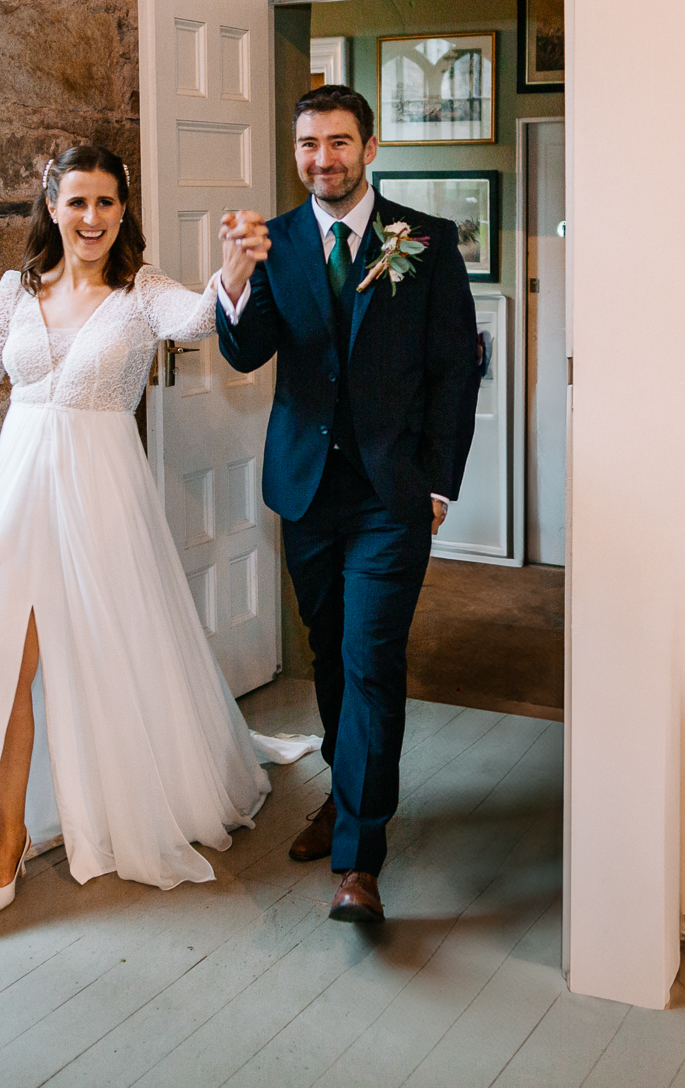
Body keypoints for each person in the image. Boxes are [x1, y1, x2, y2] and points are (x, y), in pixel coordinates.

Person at [0, 142, 285, 922]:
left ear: (123, 210)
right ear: (51, 205)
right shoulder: (16, 292)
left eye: (106, 202)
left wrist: (236, 271)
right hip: (17, 498)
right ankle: (6, 839)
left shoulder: (141, 291)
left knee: (106, 655)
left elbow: (198, 317)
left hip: (100, 497)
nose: (91, 218)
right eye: (77, 202)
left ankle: (113, 799)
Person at [214, 85, 480, 922]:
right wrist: (234, 279)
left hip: (391, 495)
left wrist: (439, 484)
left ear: (370, 147)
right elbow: (248, 351)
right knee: (329, 657)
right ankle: (343, 794)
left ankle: (359, 859)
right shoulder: (279, 241)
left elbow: (453, 371)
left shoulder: (426, 243)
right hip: (306, 493)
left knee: (371, 662)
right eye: (306, 145)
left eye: (337, 142)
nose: (321, 159)